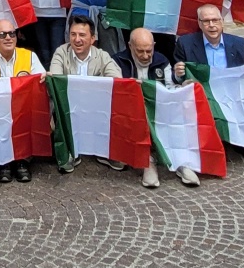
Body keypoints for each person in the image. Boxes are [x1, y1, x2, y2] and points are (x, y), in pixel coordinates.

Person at [0, 16, 43, 183]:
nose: (8, 38)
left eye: (12, 33)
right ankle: (2, 163)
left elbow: (40, 79)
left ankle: (22, 161)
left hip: (21, 109)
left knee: (28, 116)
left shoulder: (29, 56)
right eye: (3, 34)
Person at [118, 27, 190, 190]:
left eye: (149, 51)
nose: (145, 56)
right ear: (130, 46)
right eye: (140, 51)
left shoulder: (162, 60)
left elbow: (170, 87)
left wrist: (181, 85)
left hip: (159, 109)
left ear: (154, 45)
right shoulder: (118, 61)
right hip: (132, 112)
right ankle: (148, 162)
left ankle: (180, 160)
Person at [47, 14, 120, 173]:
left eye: (82, 35)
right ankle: (69, 151)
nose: (77, 39)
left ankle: (106, 151)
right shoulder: (61, 52)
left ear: (93, 38)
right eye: (73, 34)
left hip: (96, 108)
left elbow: (117, 81)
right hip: (70, 107)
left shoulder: (102, 55)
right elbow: (56, 80)